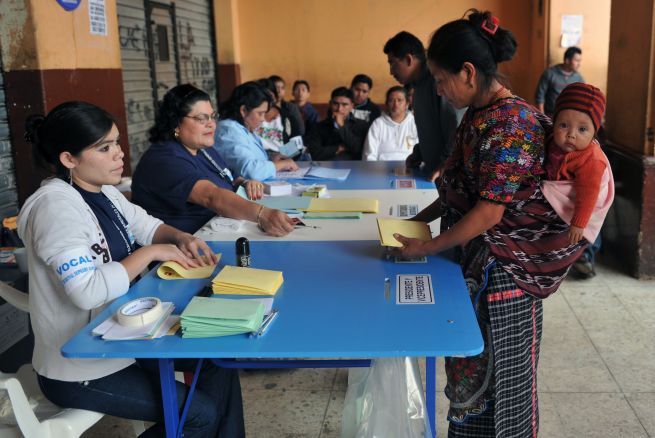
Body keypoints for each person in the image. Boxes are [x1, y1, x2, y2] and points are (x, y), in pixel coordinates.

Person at [392, 11, 586, 437]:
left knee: (505, 390)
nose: (439, 90)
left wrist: (424, 246)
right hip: (478, 265)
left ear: (468, 72)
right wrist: (416, 224)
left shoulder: (511, 123)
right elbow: (455, 192)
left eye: (442, 80)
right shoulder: (480, 115)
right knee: (472, 379)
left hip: (505, 280)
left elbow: (489, 212)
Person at [17, 101, 245, 437]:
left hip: (126, 338)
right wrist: (153, 253)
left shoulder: (104, 191)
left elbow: (148, 225)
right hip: (82, 367)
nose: (119, 154)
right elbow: (87, 291)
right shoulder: (55, 208)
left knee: (216, 359)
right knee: (199, 415)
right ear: (68, 159)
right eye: (105, 148)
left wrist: (180, 238)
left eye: (117, 143)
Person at [131, 84, 295, 236]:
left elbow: (227, 178)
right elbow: (211, 197)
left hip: (220, 232)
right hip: (183, 250)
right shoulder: (164, 159)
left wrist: (244, 182)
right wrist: (262, 214)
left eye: (212, 116)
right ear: (176, 123)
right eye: (202, 118)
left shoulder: (202, 149)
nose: (211, 124)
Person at [541, 83, 614, 277]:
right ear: (553, 122)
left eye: (582, 129)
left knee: (573, 239)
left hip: (580, 209)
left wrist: (579, 223)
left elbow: (589, 194)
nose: (571, 134)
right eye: (563, 125)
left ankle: (584, 257)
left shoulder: (591, 160)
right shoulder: (550, 142)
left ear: (594, 133)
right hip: (551, 206)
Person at [384, 31, 458, 183]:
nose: (391, 71)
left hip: (447, 175)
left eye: (392, 63)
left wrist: (446, 164)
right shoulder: (416, 87)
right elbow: (432, 129)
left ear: (408, 59)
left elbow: (456, 128)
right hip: (432, 173)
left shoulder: (437, 80)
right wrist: (420, 152)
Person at [215, 81, 299, 180]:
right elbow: (251, 171)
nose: (263, 119)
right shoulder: (228, 131)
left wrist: (270, 158)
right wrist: (281, 164)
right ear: (243, 111)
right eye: (260, 113)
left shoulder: (245, 127)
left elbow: (297, 145)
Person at [304, 87, 368, 160]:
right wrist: (338, 148)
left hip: (353, 167)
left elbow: (358, 150)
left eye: (344, 104)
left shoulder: (361, 125)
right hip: (326, 168)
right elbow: (314, 154)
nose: (339, 109)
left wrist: (341, 126)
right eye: (335, 104)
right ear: (330, 104)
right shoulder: (319, 126)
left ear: (351, 106)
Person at [362, 86, 418, 161]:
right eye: (391, 100)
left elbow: (421, 152)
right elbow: (369, 155)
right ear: (387, 104)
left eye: (399, 100)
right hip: (381, 169)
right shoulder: (378, 124)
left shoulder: (415, 123)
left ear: (407, 104)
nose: (395, 104)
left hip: (409, 168)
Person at [535, 46, 584, 116]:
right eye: (577, 60)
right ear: (567, 60)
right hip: (550, 115)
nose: (579, 64)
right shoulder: (549, 73)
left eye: (580, 61)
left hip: (570, 116)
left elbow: (583, 97)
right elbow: (540, 97)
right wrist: (543, 117)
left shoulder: (578, 77)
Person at [266, 75, 305, 141]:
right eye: (276, 87)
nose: (279, 91)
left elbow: (300, 133)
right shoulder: (261, 113)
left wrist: (283, 150)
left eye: (282, 88)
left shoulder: (290, 110)